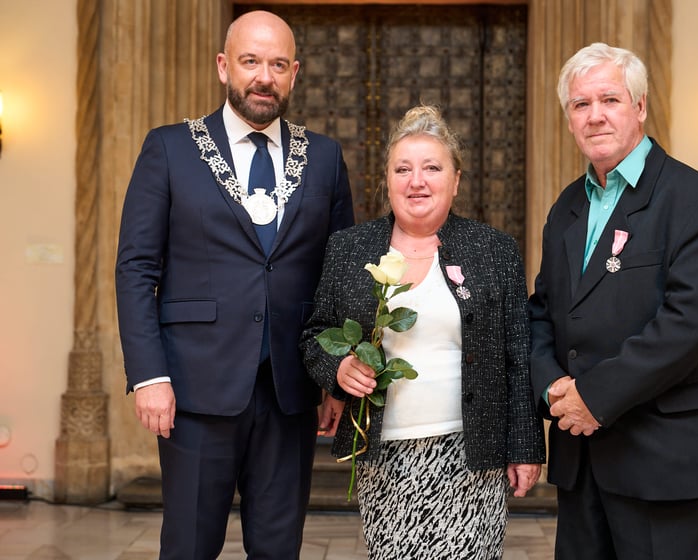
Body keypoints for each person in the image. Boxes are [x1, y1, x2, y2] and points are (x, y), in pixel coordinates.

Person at [115, 10, 354, 559]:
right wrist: (149, 375)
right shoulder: (170, 149)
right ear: (224, 67)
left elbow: (337, 276)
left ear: (295, 72)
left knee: (278, 549)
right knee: (190, 546)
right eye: (250, 62)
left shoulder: (323, 158)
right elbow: (136, 268)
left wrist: (333, 378)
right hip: (195, 390)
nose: (263, 77)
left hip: (290, 392)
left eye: (277, 64)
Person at [301, 105, 545, 559]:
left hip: (471, 456)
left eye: (432, 168)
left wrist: (526, 446)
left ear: (455, 181)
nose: (417, 181)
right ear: (387, 181)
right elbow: (315, 334)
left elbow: (518, 354)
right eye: (403, 169)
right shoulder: (349, 248)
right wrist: (339, 368)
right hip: (385, 455)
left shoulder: (494, 250)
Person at [529, 42, 698, 560]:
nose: (594, 115)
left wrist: (593, 397)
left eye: (610, 100)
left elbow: (688, 324)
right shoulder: (567, 207)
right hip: (582, 462)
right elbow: (542, 311)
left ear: (640, 106)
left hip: (661, 461)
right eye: (581, 105)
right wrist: (553, 386)